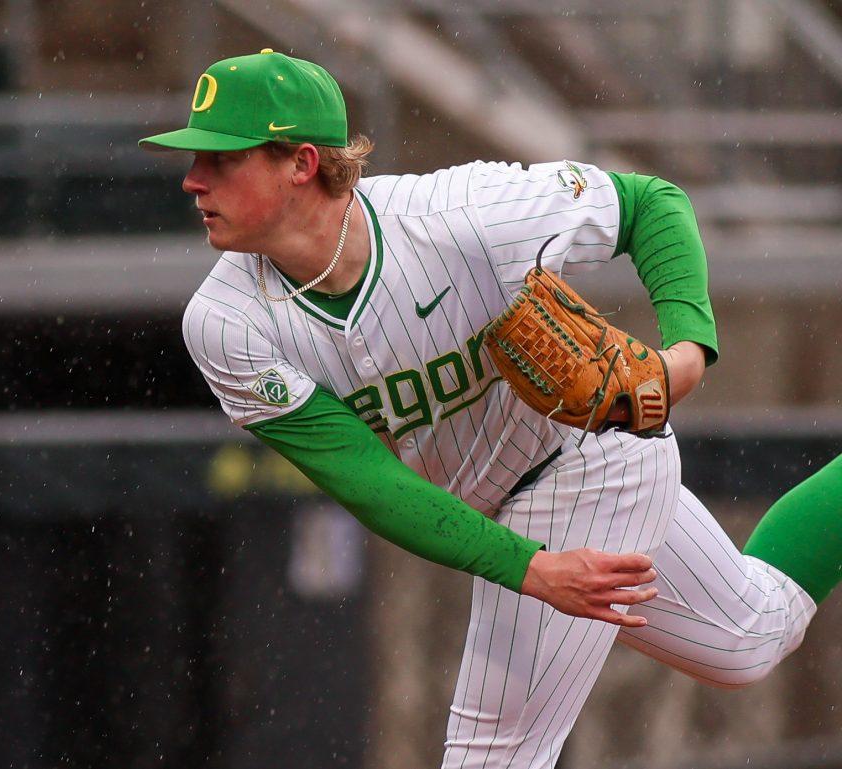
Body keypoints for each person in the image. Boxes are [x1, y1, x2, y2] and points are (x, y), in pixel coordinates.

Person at [140, 50, 842, 769]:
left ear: (302, 163)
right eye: (196, 158)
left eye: (222, 159)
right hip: (502, 509)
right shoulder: (226, 323)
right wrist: (531, 568)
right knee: (748, 636)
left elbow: (649, 202)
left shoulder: (462, 215)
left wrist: (686, 357)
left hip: (592, 460)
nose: (194, 178)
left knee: (493, 753)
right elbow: (369, 482)